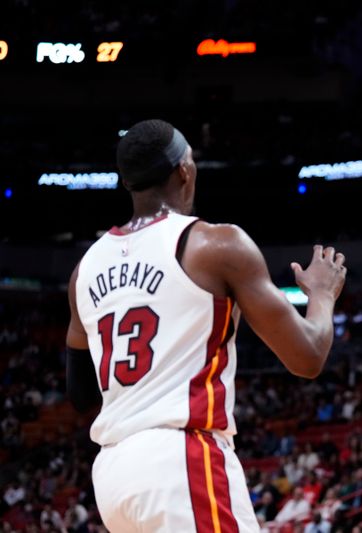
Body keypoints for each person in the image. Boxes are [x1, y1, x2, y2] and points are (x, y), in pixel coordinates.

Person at [65, 119, 346, 532]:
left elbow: (80, 395)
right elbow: (307, 357)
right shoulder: (215, 245)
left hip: (113, 476)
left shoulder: (84, 270)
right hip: (180, 460)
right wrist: (321, 295)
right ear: (184, 170)